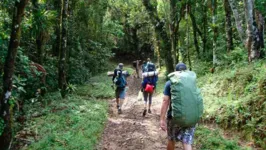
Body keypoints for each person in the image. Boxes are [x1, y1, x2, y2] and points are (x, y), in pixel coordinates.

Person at [160, 63, 198, 150]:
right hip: (191, 117)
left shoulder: (170, 83)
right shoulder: (192, 82)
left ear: (176, 71)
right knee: (187, 142)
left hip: (175, 117)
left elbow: (165, 101)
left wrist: (162, 119)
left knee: (171, 140)